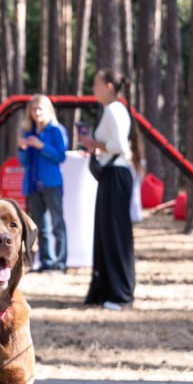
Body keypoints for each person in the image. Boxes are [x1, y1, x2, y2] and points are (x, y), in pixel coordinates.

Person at [79, 69, 135, 310]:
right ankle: (106, 290)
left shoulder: (114, 110)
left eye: (96, 84)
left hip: (116, 175)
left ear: (110, 86)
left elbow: (119, 146)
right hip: (111, 176)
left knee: (115, 235)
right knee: (106, 234)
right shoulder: (111, 110)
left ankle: (120, 293)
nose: (93, 89)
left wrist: (94, 144)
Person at [17, 94, 69, 272]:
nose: (36, 112)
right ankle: (46, 261)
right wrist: (22, 148)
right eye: (33, 109)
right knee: (40, 225)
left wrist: (41, 146)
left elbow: (60, 156)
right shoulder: (28, 132)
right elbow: (23, 162)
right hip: (32, 183)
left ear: (48, 110)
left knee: (57, 222)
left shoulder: (56, 130)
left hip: (51, 182)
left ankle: (61, 262)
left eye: (40, 108)